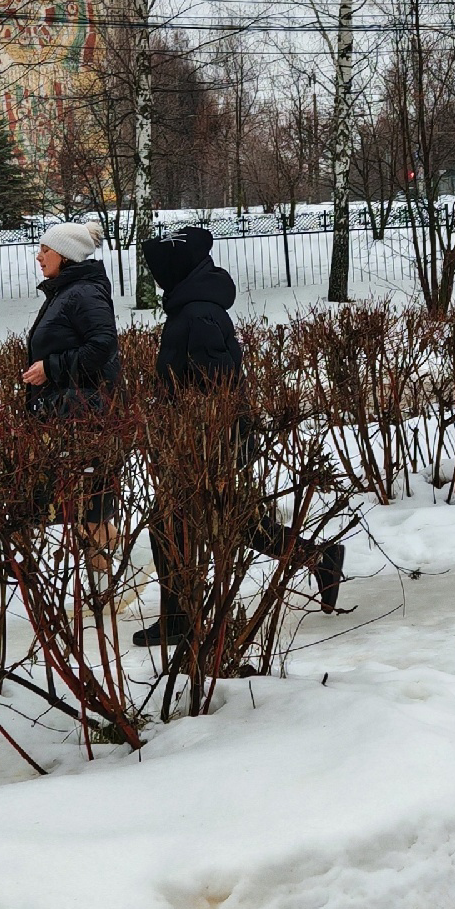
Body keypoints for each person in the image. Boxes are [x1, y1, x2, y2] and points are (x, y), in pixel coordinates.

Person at [132, 224, 344, 648]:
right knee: (236, 522)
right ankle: (317, 557)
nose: (156, 281)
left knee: (168, 525)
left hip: (208, 443)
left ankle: (178, 621)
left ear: (175, 273)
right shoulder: (192, 308)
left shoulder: (198, 314)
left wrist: (207, 441)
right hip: (200, 440)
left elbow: (220, 386)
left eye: (159, 273)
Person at [19, 219, 121, 556]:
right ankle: (99, 576)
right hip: (67, 411)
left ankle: (105, 583)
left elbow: (103, 344)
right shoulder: (67, 291)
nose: (39, 257)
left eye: (45, 250)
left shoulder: (83, 292)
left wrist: (51, 368)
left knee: (91, 506)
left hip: (82, 414)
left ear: (64, 255)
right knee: (83, 503)